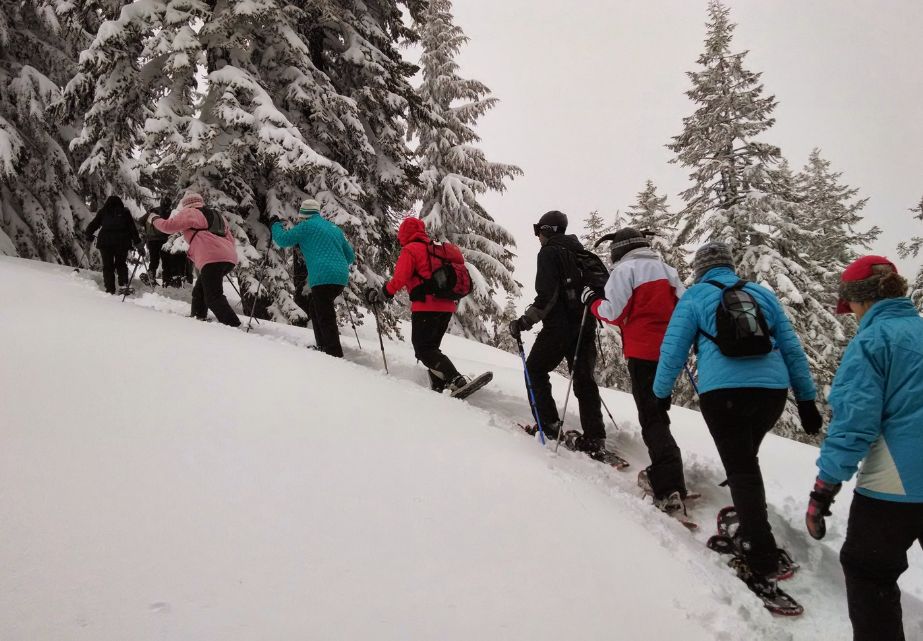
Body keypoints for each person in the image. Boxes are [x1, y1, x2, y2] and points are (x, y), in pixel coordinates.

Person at [652, 241, 822, 585]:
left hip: (723, 394)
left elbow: (673, 350)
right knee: (745, 460)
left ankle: (759, 551)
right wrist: (806, 400)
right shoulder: (762, 294)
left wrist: (659, 394)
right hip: (771, 394)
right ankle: (753, 523)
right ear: (730, 266)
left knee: (741, 466)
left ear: (700, 269)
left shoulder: (696, 297)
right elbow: (791, 348)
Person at [806, 256, 923, 641]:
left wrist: (825, 486)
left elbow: (855, 423)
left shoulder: (872, 342)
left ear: (863, 301)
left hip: (896, 484)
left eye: (851, 305)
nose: (851, 314)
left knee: (868, 571)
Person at [584, 228, 688, 513]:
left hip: (643, 353)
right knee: (659, 413)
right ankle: (671, 475)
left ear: (619, 249)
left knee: (651, 415)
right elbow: (685, 308)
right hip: (671, 352)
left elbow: (613, 312)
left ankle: (667, 483)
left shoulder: (625, 270)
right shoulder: (667, 270)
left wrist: (591, 302)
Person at [509, 210, 605, 450]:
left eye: (539, 230)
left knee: (535, 370)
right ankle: (595, 437)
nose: (537, 235)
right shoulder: (581, 253)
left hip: (559, 327)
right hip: (584, 325)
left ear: (549, 230)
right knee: (584, 380)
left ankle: (549, 424)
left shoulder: (549, 252)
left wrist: (525, 321)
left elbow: (548, 295)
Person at [365, 216, 472, 394]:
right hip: (447, 307)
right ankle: (440, 387)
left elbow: (400, 279)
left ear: (404, 233)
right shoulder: (435, 249)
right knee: (431, 348)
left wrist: (384, 294)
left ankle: (455, 378)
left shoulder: (411, 250)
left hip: (426, 307)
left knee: (423, 350)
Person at [270, 199, 355, 357]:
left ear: (304, 214)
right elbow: (350, 256)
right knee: (316, 308)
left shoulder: (306, 226)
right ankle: (323, 347)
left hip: (323, 276)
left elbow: (282, 240)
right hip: (340, 277)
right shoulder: (333, 228)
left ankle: (334, 353)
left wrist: (275, 225)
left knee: (324, 314)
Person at [147, 192, 240, 326]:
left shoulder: (191, 212)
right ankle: (198, 316)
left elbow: (168, 227)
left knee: (213, 296)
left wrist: (154, 218)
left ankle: (233, 324)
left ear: (186, 204)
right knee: (200, 290)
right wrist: (223, 254)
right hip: (228, 257)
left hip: (211, 258)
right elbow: (230, 238)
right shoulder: (217, 215)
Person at [85, 195, 144, 295]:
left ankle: (110, 289)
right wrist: (138, 244)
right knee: (121, 264)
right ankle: (123, 285)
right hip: (122, 242)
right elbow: (132, 229)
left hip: (105, 242)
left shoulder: (103, 212)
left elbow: (93, 225)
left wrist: (88, 236)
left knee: (108, 266)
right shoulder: (125, 212)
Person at [140, 198, 172, 287]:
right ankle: (167, 281)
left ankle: (151, 277)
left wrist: (146, 230)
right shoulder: (171, 213)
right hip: (165, 240)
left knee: (154, 260)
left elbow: (140, 221)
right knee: (166, 261)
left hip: (152, 240)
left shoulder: (152, 212)